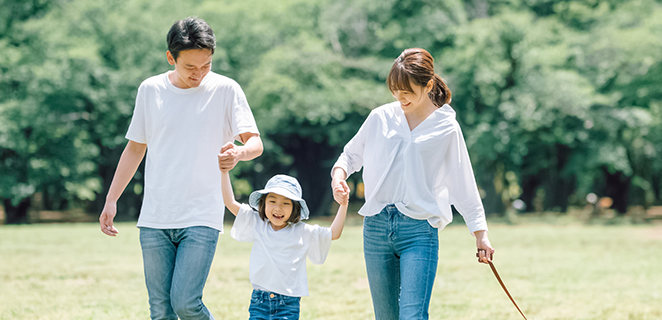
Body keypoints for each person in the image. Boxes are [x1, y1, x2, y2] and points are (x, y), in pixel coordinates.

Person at [98, 17, 263, 320]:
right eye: (190, 67)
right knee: (161, 312)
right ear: (171, 58)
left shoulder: (226, 90)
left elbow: (255, 143)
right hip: (155, 217)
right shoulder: (151, 90)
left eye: (206, 66)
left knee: (186, 303)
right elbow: (136, 148)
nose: (199, 74)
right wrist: (111, 200)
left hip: (201, 215)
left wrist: (239, 153)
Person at [330, 48, 495, 320]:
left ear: (428, 85)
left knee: (412, 315)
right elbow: (351, 155)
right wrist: (339, 176)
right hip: (376, 226)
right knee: (386, 316)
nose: (399, 97)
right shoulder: (380, 117)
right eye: (395, 90)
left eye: (406, 91)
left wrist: (480, 233)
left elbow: (462, 180)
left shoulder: (446, 127)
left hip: (419, 229)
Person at [221, 171, 349, 320]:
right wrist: (224, 171)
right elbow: (229, 201)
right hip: (259, 301)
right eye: (272, 201)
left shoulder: (303, 231)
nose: (278, 208)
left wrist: (344, 204)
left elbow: (334, 233)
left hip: (287, 305)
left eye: (286, 203)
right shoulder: (256, 222)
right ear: (263, 203)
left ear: (295, 208)